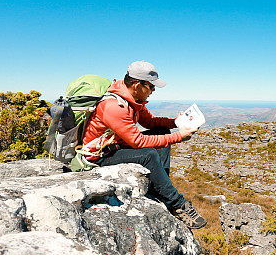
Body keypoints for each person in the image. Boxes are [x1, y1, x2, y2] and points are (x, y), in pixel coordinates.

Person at [80, 60, 207, 229]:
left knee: (161, 132)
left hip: (116, 146)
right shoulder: (114, 106)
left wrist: (177, 122)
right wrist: (178, 137)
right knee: (148, 155)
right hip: (99, 156)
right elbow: (138, 142)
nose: (153, 91)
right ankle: (177, 205)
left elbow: (150, 122)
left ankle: (160, 187)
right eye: (151, 87)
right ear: (138, 85)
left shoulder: (132, 99)